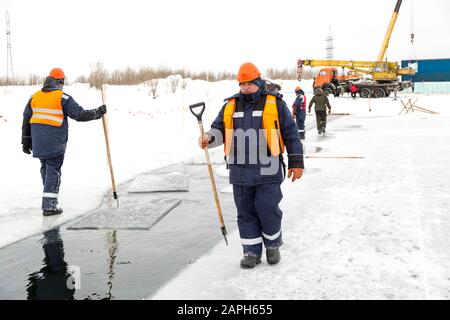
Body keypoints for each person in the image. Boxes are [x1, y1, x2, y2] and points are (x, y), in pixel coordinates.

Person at [198, 62, 304, 269]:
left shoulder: (275, 104)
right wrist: (209, 138)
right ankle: (251, 251)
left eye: (249, 84)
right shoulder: (230, 105)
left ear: (258, 82)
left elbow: (291, 134)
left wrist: (296, 161)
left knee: (267, 208)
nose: (245, 88)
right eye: (241, 84)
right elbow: (219, 129)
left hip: (268, 166)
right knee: (245, 212)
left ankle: (272, 245)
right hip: (239, 169)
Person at [21, 68, 107, 216]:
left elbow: (26, 118)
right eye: (63, 82)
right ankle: (49, 206)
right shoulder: (63, 98)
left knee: (46, 170)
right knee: (53, 171)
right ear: (60, 81)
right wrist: (97, 113)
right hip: (55, 142)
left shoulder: (34, 97)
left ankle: (49, 199)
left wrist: (25, 140)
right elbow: (79, 114)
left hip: (39, 143)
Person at [26, 227, 76, 300]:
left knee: (56, 263)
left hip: (57, 283)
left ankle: (51, 232)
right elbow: (31, 294)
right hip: (49, 286)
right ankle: (50, 233)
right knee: (53, 263)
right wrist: (33, 279)